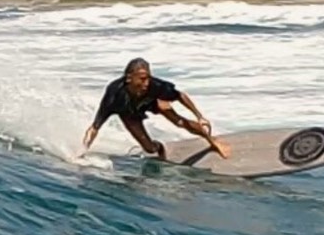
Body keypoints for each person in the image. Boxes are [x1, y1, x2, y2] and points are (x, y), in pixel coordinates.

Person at [81, 57, 230, 160]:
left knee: (179, 122)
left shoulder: (154, 86)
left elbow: (180, 96)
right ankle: (160, 148)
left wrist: (199, 116)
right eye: (142, 79)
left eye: (148, 77)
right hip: (129, 113)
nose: (146, 83)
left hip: (154, 102)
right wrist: (82, 152)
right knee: (149, 149)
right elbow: (94, 128)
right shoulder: (114, 94)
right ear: (129, 78)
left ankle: (211, 140)